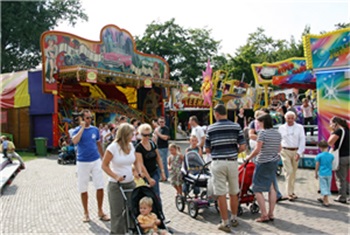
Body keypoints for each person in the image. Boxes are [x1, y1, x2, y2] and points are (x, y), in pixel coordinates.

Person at [205, 104, 246, 232]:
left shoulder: (211, 129)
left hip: (218, 162)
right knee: (234, 192)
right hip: (233, 162)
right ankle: (234, 218)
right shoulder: (235, 126)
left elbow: (207, 149)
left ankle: (225, 222)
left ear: (216, 114)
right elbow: (243, 146)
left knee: (221, 193)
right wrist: (234, 152)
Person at [101, 123, 143, 234]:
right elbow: (104, 165)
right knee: (117, 212)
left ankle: (132, 230)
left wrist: (138, 171)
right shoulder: (113, 148)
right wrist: (115, 176)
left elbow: (136, 161)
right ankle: (117, 232)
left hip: (130, 183)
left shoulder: (131, 145)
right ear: (125, 134)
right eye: (131, 134)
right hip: (116, 184)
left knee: (132, 209)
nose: (133, 136)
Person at [71, 109, 109, 223]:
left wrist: (103, 158)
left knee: (100, 186)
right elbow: (74, 141)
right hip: (82, 162)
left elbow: (98, 144)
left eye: (90, 118)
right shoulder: (77, 130)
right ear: (81, 118)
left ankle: (100, 211)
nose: (89, 120)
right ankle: (86, 212)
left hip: (95, 160)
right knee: (83, 188)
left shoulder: (95, 130)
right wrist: (82, 128)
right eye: (87, 118)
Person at [245, 114, 281, 222]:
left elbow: (257, 150)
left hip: (263, 162)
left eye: (259, 122)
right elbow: (279, 149)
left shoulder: (262, 133)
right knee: (272, 187)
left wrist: (248, 157)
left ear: (263, 122)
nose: (258, 125)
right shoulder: (277, 133)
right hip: (274, 161)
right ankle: (271, 213)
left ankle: (264, 214)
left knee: (256, 188)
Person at [278, 111, 306, 201]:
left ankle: (292, 191)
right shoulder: (281, 128)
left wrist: (299, 152)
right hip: (285, 151)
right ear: (285, 118)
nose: (290, 120)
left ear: (294, 118)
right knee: (289, 171)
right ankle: (289, 193)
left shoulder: (299, 127)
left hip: (296, 151)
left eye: (292, 118)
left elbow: (302, 140)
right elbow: (279, 140)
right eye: (288, 118)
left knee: (293, 173)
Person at [136, 123, 166, 201]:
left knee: (156, 194)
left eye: (148, 135)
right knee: (148, 195)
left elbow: (158, 158)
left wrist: (162, 171)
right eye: (144, 135)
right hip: (145, 174)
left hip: (154, 171)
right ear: (140, 135)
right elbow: (141, 164)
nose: (147, 137)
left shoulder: (152, 143)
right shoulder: (139, 147)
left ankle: (159, 211)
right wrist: (149, 178)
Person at [327, 116, 349, 204]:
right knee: (346, 177)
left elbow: (330, 142)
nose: (330, 125)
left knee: (341, 178)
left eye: (331, 123)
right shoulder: (348, 130)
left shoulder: (339, 131)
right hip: (348, 155)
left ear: (336, 123)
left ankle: (342, 197)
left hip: (341, 156)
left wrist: (332, 132)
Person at [315, 140, 334, 207]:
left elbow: (317, 165)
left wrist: (316, 173)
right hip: (329, 173)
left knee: (323, 186)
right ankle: (324, 198)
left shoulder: (319, 156)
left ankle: (326, 201)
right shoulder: (331, 156)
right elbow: (331, 164)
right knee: (328, 186)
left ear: (320, 147)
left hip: (322, 173)